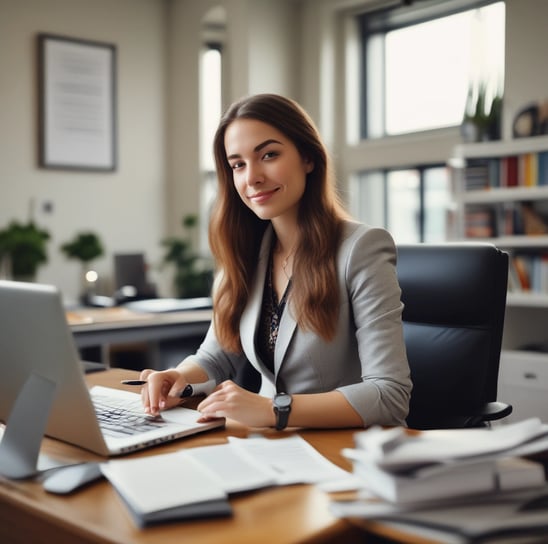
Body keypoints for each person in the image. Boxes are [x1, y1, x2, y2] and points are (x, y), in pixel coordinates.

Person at [140, 93, 412, 430]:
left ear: (308, 157)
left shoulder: (361, 248)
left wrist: (275, 409)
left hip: (343, 450)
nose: (251, 177)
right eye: (237, 164)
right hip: (267, 445)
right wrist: (178, 376)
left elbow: (389, 395)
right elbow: (218, 354)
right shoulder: (245, 252)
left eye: (268, 155)